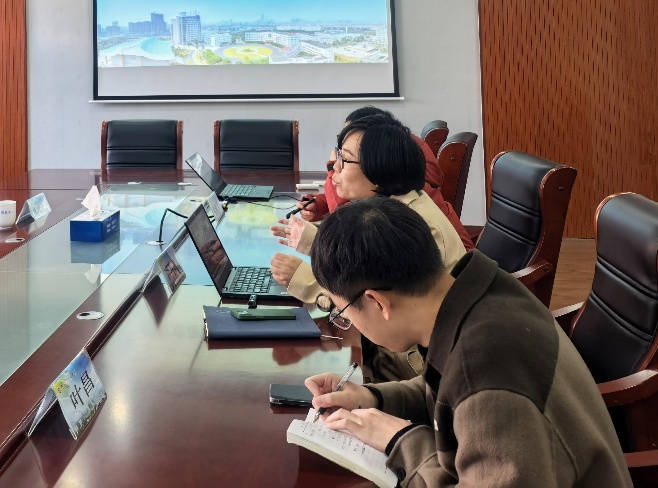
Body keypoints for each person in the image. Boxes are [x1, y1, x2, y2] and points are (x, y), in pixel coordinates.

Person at [303, 198, 631, 488]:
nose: (346, 321)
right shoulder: (477, 297)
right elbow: (446, 391)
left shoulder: (486, 369)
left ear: (377, 302)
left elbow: (471, 391)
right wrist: (372, 397)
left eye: (343, 312)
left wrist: (399, 440)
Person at [269, 113, 466, 301]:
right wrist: (317, 243)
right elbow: (364, 270)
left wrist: (306, 282)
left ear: (379, 168)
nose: (335, 167)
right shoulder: (396, 204)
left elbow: (375, 307)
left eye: (345, 159)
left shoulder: (404, 227)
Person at [296, 107, 473, 250]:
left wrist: (311, 248)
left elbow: (359, 278)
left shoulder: (397, 224)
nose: (335, 165)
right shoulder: (399, 193)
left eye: (345, 158)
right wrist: (319, 204)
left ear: (377, 163)